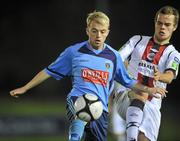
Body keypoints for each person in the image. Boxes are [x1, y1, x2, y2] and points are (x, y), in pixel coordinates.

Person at [10, 11, 166, 141]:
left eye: (102, 31)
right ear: (87, 31)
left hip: (101, 112)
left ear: (107, 32)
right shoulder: (73, 52)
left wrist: (149, 90)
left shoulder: (113, 57)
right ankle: (74, 136)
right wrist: (25, 88)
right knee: (80, 114)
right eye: (94, 30)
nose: (98, 35)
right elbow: (48, 71)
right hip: (77, 99)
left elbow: (128, 81)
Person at [113, 5, 180, 141]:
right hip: (126, 95)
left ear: (175, 27)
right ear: (155, 22)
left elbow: (170, 76)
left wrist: (160, 76)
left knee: (144, 139)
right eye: (159, 23)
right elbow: (117, 57)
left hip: (152, 105)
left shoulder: (173, 54)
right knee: (142, 91)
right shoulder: (137, 40)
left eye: (167, 24)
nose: (162, 27)